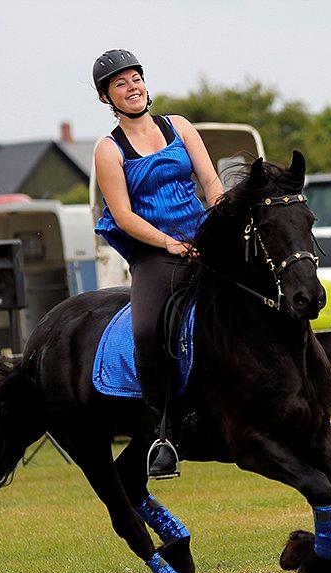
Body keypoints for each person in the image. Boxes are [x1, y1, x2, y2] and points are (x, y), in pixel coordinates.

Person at [92, 49, 223, 478]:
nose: (132, 87)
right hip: (153, 254)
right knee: (147, 328)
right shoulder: (108, 150)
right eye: (120, 83)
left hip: (204, 240)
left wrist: (221, 220)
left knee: (266, 291)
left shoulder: (180, 126)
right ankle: (163, 433)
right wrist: (169, 244)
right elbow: (124, 216)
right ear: (107, 97)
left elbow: (210, 182)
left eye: (136, 78)